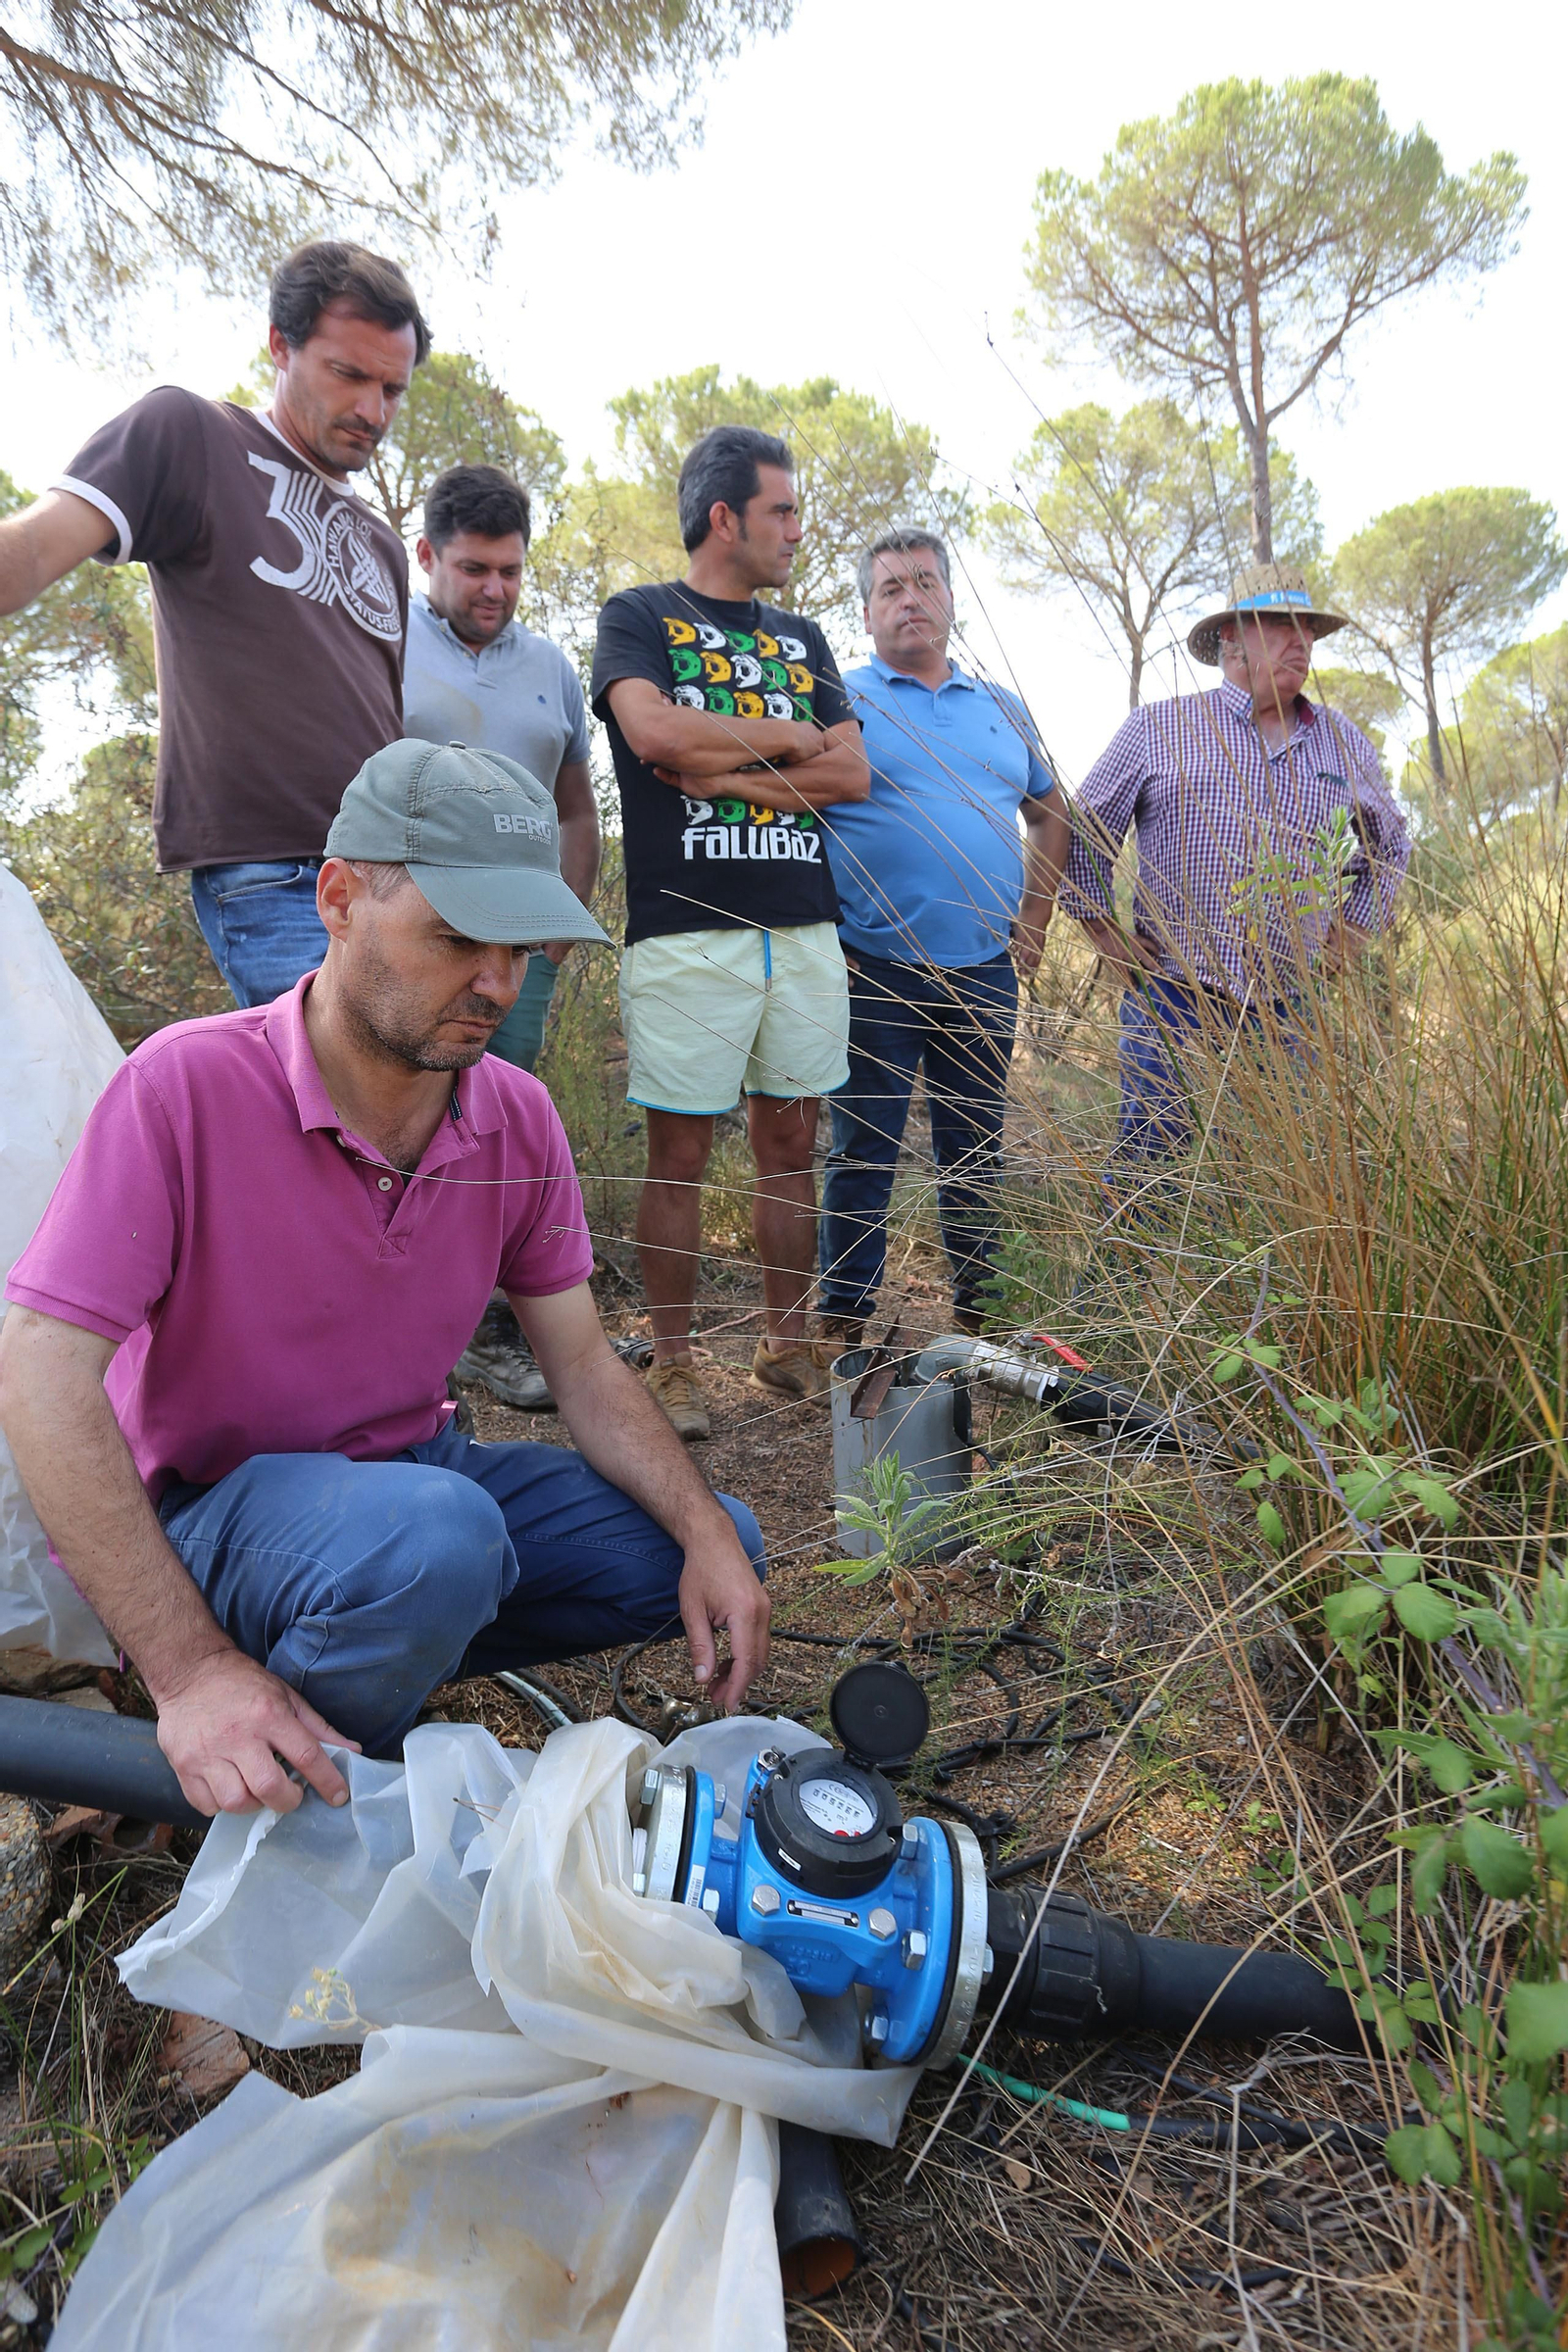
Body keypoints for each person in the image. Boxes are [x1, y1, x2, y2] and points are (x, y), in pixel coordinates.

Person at [0, 743, 770, 1819]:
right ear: (339, 899)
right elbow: (38, 1368)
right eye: (457, 937)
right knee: (434, 1542)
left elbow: (585, 1365)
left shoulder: (515, 1112)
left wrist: (703, 1536)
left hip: (407, 1486)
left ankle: (364, 1655)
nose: (497, 984)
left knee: (712, 1543)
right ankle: (290, 1807)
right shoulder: (186, 1086)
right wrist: (187, 1671)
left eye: (518, 947)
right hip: (211, 1513)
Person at [0, 239, 427, 1009]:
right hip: (275, 871)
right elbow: (30, 551)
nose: (373, 410)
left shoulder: (383, 544)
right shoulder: (192, 436)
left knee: (419, 1110)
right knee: (344, 1101)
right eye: (350, 375)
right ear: (280, 345)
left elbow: (381, 722)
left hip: (389, 873)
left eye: (393, 389)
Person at [591, 425, 869, 1441]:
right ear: (725, 519)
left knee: (791, 1145)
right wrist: (791, 734)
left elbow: (853, 777)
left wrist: (725, 774)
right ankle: (673, 1364)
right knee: (679, 1152)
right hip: (685, 930)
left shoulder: (804, 638)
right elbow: (653, 734)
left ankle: (784, 1346)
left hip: (800, 930)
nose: (798, 529)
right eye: (782, 511)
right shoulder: (639, 617)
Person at [1062, 564, 1410, 1189]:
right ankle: (1132, 1283)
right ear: (1230, 639)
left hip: (1291, 1011)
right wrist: (1103, 934)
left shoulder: (1342, 741)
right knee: (1152, 1172)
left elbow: (1389, 845)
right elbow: (1083, 831)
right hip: (1175, 995)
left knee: (1278, 1179)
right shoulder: (1160, 727)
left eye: (1307, 628)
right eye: (1280, 625)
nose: (1301, 641)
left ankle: (1240, 1290)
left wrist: (1354, 929)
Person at [816, 529, 1068, 1346]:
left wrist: (1033, 921)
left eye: (925, 583)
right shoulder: (838, 697)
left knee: (975, 1146)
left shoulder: (1003, 707)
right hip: (871, 962)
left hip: (984, 968)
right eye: (891, 589)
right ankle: (842, 1321)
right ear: (865, 611)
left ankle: (981, 1318)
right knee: (863, 1150)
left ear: (953, 599)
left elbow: (1051, 811)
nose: (911, 599)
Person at [403, 462, 604, 1410]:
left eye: (510, 572)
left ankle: (487, 1331)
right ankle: (398, 1335)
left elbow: (577, 811)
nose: (493, 589)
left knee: (490, 1133)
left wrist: (553, 945)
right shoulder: (380, 640)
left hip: (513, 950)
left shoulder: (550, 669)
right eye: (474, 568)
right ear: (427, 557)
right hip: (408, 941)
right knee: (393, 1125)